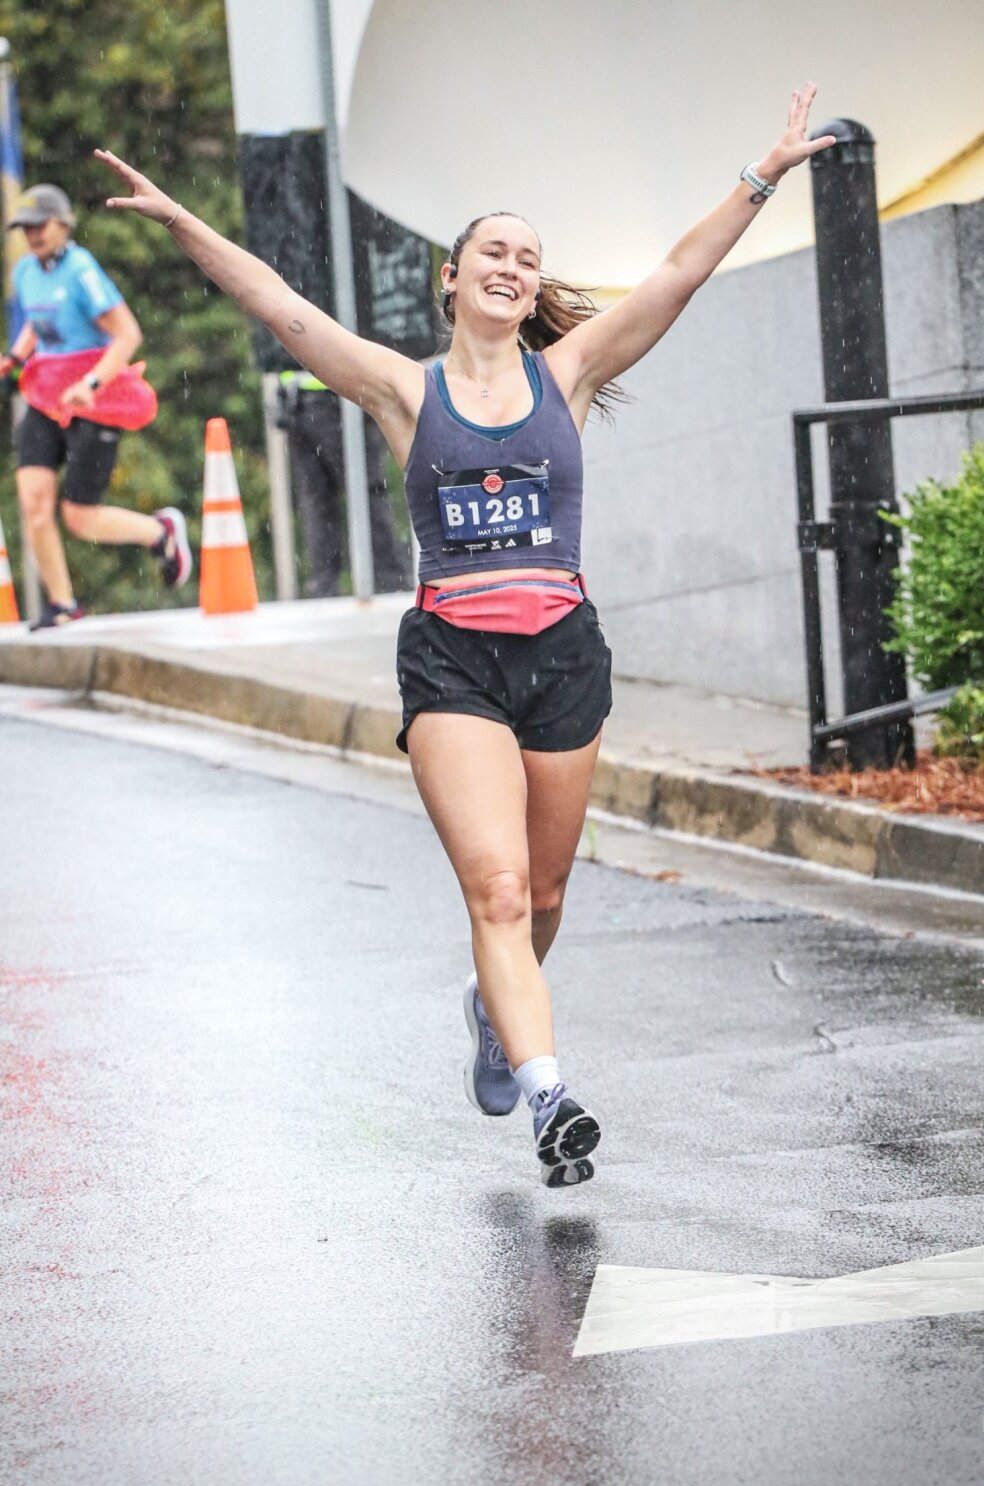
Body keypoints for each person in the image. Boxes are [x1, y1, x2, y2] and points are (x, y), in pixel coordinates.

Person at [96, 85, 834, 1188]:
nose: (513, 267)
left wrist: (761, 176)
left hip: (563, 654)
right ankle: (550, 1099)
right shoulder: (403, 390)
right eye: (494, 250)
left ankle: (496, 1014)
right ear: (451, 277)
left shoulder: (568, 373)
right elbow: (279, 304)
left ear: (534, 290)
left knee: (545, 898)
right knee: (496, 890)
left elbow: (678, 274)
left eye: (529, 259)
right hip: (454, 662)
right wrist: (179, 220)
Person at [0, 182, 190, 630]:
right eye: (25, 228)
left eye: (40, 225)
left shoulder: (82, 271)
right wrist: (15, 359)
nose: (32, 234)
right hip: (46, 397)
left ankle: (159, 532)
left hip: (94, 399)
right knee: (34, 505)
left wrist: (91, 383)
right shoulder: (25, 272)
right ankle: (63, 604)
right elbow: (36, 323)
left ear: (63, 224)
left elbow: (128, 334)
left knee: (79, 518)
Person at [274, 367, 412, 595]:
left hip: (297, 401)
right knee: (368, 492)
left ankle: (324, 586)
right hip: (339, 399)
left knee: (317, 500)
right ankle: (390, 580)